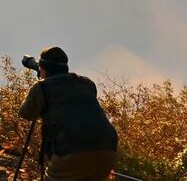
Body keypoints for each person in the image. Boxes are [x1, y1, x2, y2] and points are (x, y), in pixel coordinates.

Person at [18, 47, 119, 181]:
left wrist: (39, 87)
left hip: (73, 150)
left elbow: (26, 113)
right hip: (108, 149)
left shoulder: (43, 87)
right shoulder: (87, 84)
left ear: (43, 69)